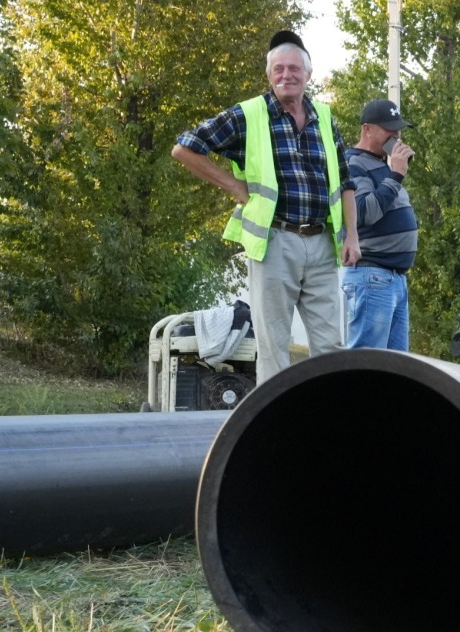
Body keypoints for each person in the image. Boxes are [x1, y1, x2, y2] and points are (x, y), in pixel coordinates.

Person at [172, 31, 360, 384]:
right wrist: (233, 185)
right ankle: (278, 417)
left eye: (294, 68)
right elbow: (185, 147)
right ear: (269, 74)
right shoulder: (249, 115)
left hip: (322, 244)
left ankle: (329, 414)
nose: (286, 75)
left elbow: (345, 180)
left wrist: (352, 235)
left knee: (331, 347)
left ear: (308, 74)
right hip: (275, 243)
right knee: (273, 346)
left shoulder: (324, 116)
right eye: (279, 69)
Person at [342, 99, 418, 350]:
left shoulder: (382, 166)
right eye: (389, 130)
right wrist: (396, 175)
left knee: (395, 366)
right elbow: (364, 212)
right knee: (368, 361)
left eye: (398, 130)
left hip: (394, 279)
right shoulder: (353, 163)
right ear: (367, 129)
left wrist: (393, 173)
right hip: (372, 275)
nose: (396, 136)